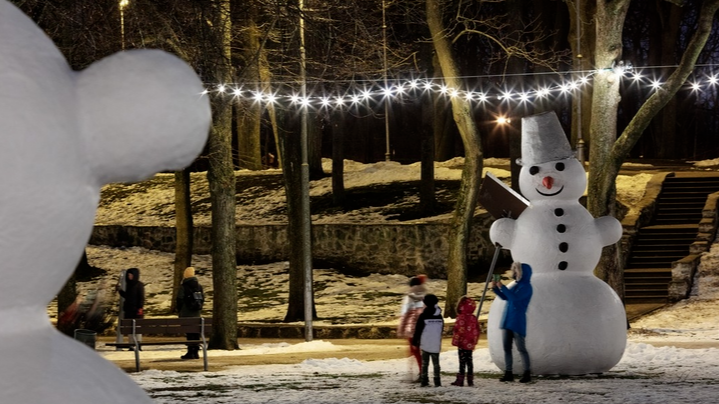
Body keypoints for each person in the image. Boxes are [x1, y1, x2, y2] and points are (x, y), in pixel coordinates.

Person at [492, 262, 533, 383]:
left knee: (521, 348)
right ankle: (508, 372)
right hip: (508, 319)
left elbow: (514, 298)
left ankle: (527, 372)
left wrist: (502, 287)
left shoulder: (526, 287)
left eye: (516, 271)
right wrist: (496, 288)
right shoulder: (516, 285)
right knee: (506, 348)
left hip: (517, 321)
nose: (514, 273)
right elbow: (506, 297)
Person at [397, 275, 427, 379]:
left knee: (413, 351)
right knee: (418, 350)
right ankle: (419, 371)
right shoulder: (424, 296)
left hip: (412, 329)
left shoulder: (409, 297)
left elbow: (405, 314)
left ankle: (417, 372)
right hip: (423, 327)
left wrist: (401, 329)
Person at [412, 293, 444, 387]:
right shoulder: (439, 316)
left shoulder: (423, 316)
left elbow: (418, 330)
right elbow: (441, 329)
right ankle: (437, 381)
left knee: (424, 364)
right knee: (436, 364)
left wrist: (415, 342)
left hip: (425, 343)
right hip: (436, 343)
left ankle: (424, 380)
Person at [450, 295, 480, 387]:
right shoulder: (473, 318)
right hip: (470, 344)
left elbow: (458, 330)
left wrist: (456, 341)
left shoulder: (461, 317)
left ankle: (460, 379)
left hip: (462, 344)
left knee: (462, 361)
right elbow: (477, 330)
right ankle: (470, 380)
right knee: (469, 361)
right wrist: (474, 340)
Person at [176, 267, 204, 360]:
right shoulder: (199, 286)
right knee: (195, 332)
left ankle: (190, 351)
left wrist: (180, 310)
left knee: (189, 333)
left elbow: (179, 299)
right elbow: (202, 299)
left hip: (186, 313)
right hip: (196, 313)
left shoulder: (183, 286)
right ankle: (195, 351)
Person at [117, 267, 145, 350]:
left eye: (131, 275)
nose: (129, 277)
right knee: (130, 328)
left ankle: (138, 344)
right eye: (128, 275)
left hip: (136, 310)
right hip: (129, 310)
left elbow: (141, 297)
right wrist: (120, 291)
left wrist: (140, 307)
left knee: (137, 329)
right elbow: (127, 296)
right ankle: (131, 344)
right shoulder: (129, 285)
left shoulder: (139, 285)